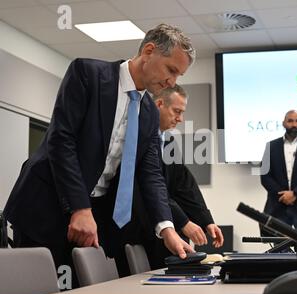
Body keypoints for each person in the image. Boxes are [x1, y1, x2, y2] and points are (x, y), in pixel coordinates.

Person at [3, 24, 196, 278]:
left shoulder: (149, 112)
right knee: (35, 288)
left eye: (178, 75)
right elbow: (62, 141)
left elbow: (150, 175)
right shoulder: (88, 74)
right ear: (149, 51)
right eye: (171, 69)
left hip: (95, 216)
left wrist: (168, 230)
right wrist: (80, 208)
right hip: (47, 205)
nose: (172, 81)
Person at [133, 85, 224, 269]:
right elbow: (152, 186)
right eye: (177, 111)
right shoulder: (136, 136)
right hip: (140, 227)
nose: (180, 119)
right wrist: (183, 222)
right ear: (159, 104)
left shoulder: (168, 140)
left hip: (161, 227)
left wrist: (207, 220)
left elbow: (184, 185)